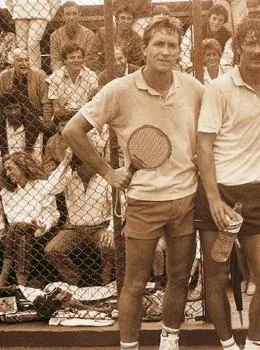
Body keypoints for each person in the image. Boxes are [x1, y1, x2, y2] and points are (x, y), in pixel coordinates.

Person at [62, 17, 204, 350]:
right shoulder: (119, 90)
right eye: (159, 44)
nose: (166, 51)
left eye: (172, 45)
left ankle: (170, 341)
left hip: (186, 199)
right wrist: (108, 172)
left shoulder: (195, 89)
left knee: (179, 278)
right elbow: (72, 131)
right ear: (144, 48)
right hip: (143, 203)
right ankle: (130, 346)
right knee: (135, 284)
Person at [195, 18, 260, 350]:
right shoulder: (218, 88)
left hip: (255, 193)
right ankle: (227, 345)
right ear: (236, 50)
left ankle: (252, 345)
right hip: (218, 191)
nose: (256, 50)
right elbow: (204, 145)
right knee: (218, 277)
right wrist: (212, 199)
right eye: (249, 44)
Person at [43, 148, 115, 286]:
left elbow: (118, 206)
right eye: (91, 161)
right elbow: (49, 189)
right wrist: (65, 162)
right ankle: (74, 281)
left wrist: (111, 230)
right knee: (51, 249)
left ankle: (107, 282)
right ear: (80, 164)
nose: (96, 164)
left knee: (109, 246)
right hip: (74, 228)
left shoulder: (104, 177)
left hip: (100, 227)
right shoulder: (68, 176)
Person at [0, 151, 60, 287]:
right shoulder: (6, 191)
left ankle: (3, 278)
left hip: (41, 230)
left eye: (11, 168)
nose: (8, 173)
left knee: (19, 228)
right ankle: (22, 285)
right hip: (20, 231)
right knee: (21, 231)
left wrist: (43, 224)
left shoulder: (42, 186)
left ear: (22, 166)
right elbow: (12, 218)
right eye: (6, 170)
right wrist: (27, 221)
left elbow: (53, 214)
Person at [45, 43, 99, 128]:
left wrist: (69, 111)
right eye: (72, 57)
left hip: (86, 119)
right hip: (63, 121)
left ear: (83, 59)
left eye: (79, 57)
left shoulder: (92, 76)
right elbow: (57, 111)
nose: (76, 60)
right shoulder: (55, 78)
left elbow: (92, 108)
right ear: (64, 60)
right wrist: (78, 111)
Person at [86, 4, 143, 73]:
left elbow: (136, 62)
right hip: (103, 71)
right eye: (122, 18)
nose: (126, 21)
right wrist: (100, 72)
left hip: (126, 73)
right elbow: (91, 55)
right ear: (116, 20)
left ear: (133, 21)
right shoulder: (103, 33)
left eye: (129, 19)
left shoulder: (137, 39)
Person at [6, 0, 59, 69]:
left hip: (41, 12)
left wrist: (50, 13)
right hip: (19, 12)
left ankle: (35, 74)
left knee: (32, 43)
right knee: (22, 47)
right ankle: (24, 74)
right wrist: (14, 10)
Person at [0, 48, 48, 121]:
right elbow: (2, 99)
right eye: (19, 60)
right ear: (12, 63)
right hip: (12, 116)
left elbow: (46, 102)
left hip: (36, 116)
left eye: (27, 60)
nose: (25, 63)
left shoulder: (40, 75)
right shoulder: (4, 76)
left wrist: (47, 120)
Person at [49, 1, 95, 72]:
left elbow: (88, 60)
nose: (71, 17)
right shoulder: (55, 35)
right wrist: (60, 75)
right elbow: (56, 60)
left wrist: (78, 73)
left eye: (74, 13)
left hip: (83, 73)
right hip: (63, 73)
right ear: (62, 16)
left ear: (79, 14)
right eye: (67, 14)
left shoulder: (89, 35)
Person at [0, 94, 43, 162]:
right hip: (6, 165)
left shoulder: (34, 127)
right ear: (3, 111)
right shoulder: (1, 128)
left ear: (21, 108)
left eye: (16, 108)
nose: (13, 112)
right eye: (9, 108)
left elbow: (36, 157)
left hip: (27, 165)